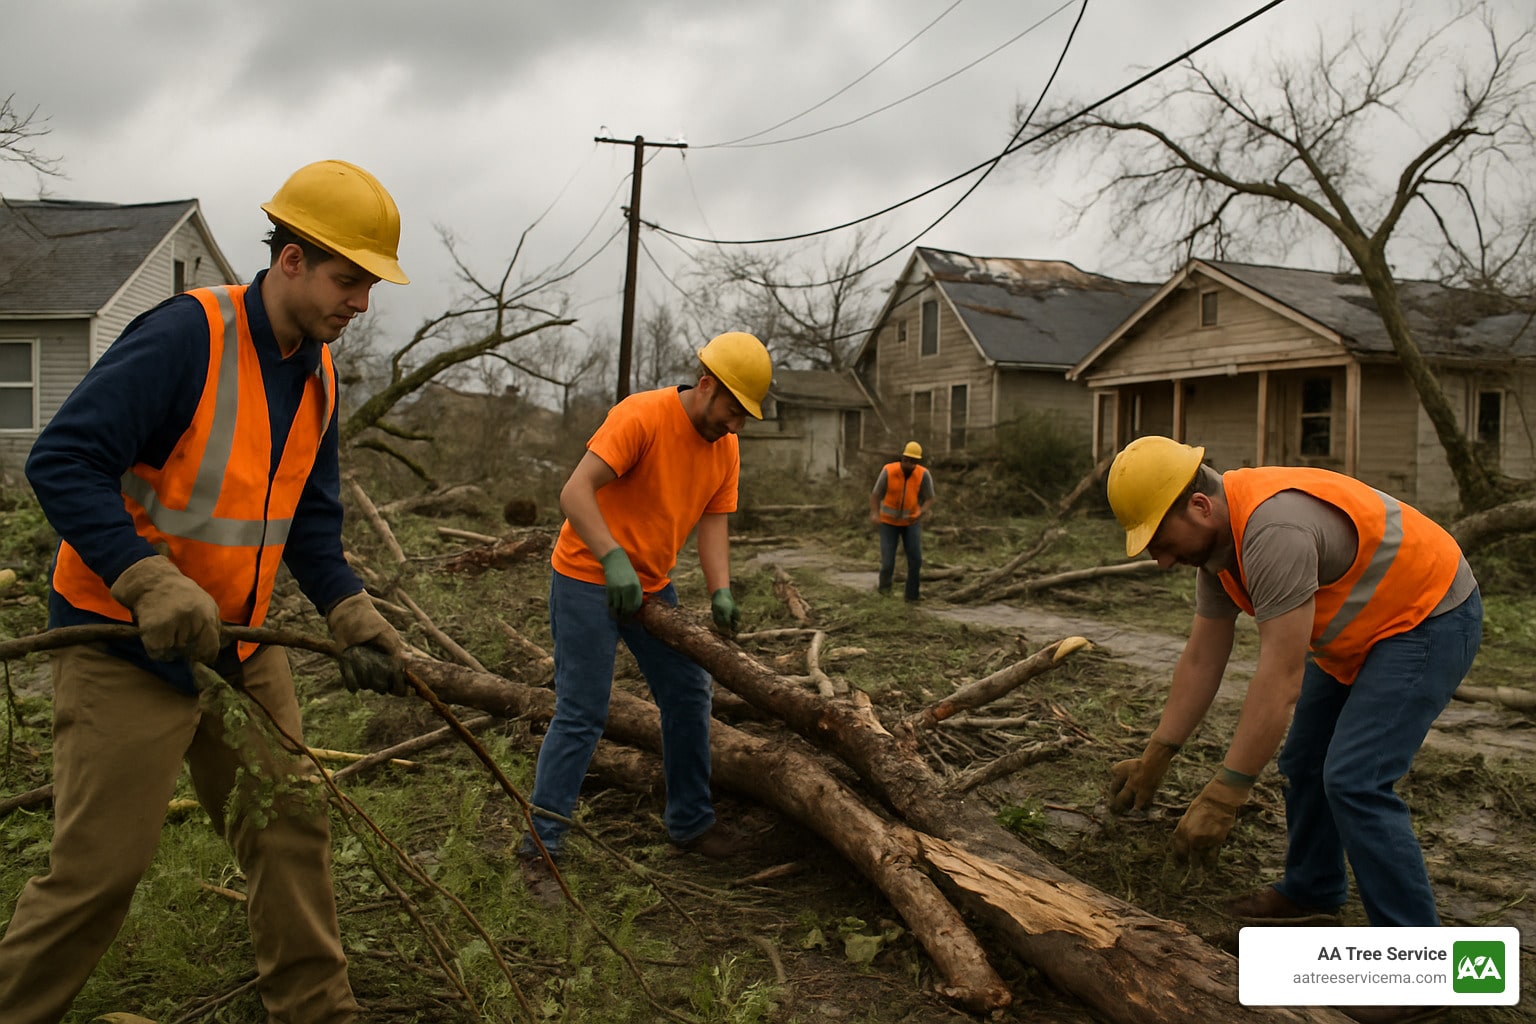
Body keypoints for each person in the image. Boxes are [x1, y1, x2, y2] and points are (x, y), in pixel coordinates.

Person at [0, 160, 414, 1024]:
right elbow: (61, 460)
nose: (360, 304)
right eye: (349, 280)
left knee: (291, 825)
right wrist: (147, 576)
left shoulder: (321, 372)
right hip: (121, 641)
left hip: (244, 647)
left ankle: (318, 1011)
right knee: (98, 872)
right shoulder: (189, 336)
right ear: (292, 260)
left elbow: (309, 520)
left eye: (369, 286)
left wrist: (347, 604)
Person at [1104, 436, 1482, 936]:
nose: (1163, 561)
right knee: (1304, 761)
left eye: (1162, 543)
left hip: (1429, 618)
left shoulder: (1272, 531)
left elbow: (1280, 677)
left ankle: (1421, 970)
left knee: (1355, 779)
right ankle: (1313, 892)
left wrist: (1225, 795)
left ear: (1199, 506)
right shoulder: (1220, 547)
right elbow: (1201, 658)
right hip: (1366, 629)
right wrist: (1158, 753)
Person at [519, 331, 772, 902]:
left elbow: (713, 520)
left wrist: (721, 590)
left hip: (652, 588)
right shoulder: (642, 415)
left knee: (688, 695)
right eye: (732, 410)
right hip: (587, 574)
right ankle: (541, 850)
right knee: (583, 711)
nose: (734, 424)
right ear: (707, 385)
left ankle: (689, 821)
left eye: (744, 417)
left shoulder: (725, 447)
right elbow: (574, 491)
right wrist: (611, 557)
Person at [869, 440, 935, 601]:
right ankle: (884, 594)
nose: (908, 463)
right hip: (888, 523)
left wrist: (921, 511)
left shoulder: (923, 474)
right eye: (906, 459)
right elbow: (876, 494)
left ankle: (912, 596)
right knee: (887, 562)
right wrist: (875, 513)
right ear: (902, 457)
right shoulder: (889, 470)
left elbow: (930, 498)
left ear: (917, 462)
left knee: (915, 560)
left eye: (912, 461)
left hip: (910, 523)